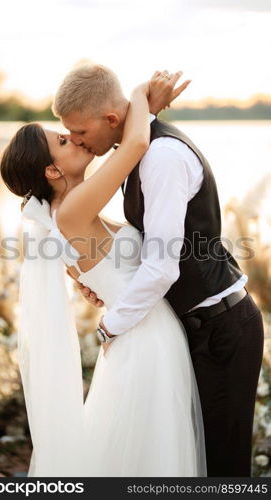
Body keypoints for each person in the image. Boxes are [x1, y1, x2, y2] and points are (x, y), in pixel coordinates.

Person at [52, 63, 265, 477]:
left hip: (221, 328)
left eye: (79, 132)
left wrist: (110, 325)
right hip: (193, 327)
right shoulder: (138, 151)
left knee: (223, 464)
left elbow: (162, 267)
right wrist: (95, 275)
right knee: (195, 458)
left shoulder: (162, 157)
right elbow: (141, 239)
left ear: (111, 120)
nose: (77, 141)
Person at [0, 72, 207, 476]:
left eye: (71, 133)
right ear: (51, 172)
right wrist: (138, 94)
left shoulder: (71, 213)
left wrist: (94, 285)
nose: (74, 139)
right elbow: (136, 143)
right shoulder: (74, 210)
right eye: (62, 141)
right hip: (143, 336)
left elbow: (103, 264)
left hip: (138, 332)